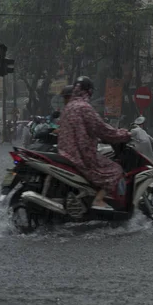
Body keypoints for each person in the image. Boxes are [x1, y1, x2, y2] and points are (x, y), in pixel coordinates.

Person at [58, 76, 131, 210]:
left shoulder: (68, 107)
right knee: (116, 170)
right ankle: (98, 199)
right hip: (82, 155)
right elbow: (102, 129)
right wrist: (124, 134)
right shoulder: (84, 107)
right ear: (89, 91)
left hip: (65, 153)